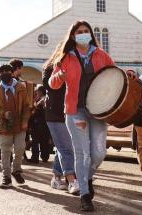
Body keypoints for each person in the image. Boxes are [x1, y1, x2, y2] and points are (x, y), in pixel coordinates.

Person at [49, 20, 114, 212]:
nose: (83, 34)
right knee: (81, 153)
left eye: (86, 31)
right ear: (73, 36)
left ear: (91, 34)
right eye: (79, 31)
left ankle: (86, 177)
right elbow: (53, 83)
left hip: (99, 111)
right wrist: (58, 77)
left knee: (99, 153)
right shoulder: (65, 58)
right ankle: (85, 194)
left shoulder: (102, 55)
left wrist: (128, 74)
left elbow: (114, 74)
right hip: (75, 111)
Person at [42, 44, 80, 195]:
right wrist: (59, 75)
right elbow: (48, 86)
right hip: (54, 114)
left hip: (70, 112)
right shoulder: (49, 67)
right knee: (66, 148)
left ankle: (56, 177)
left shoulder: (75, 65)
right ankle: (71, 181)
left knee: (62, 146)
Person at [0, 64, 30, 189]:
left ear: (12, 73)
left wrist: (25, 120)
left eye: (8, 71)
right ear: (0, 74)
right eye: (2, 71)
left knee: (20, 148)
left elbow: (27, 106)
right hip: (3, 124)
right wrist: (3, 114)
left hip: (19, 123)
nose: (5, 73)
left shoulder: (21, 87)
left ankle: (16, 170)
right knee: (5, 150)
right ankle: (6, 176)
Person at [28, 85, 51, 163]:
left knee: (35, 141)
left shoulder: (41, 101)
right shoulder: (46, 99)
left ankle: (35, 157)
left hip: (38, 124)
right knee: (44, 141)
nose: (36, 93)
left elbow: (35, 112)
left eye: (37, 91)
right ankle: (45, 157)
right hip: (46, 125)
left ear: (40, 91)